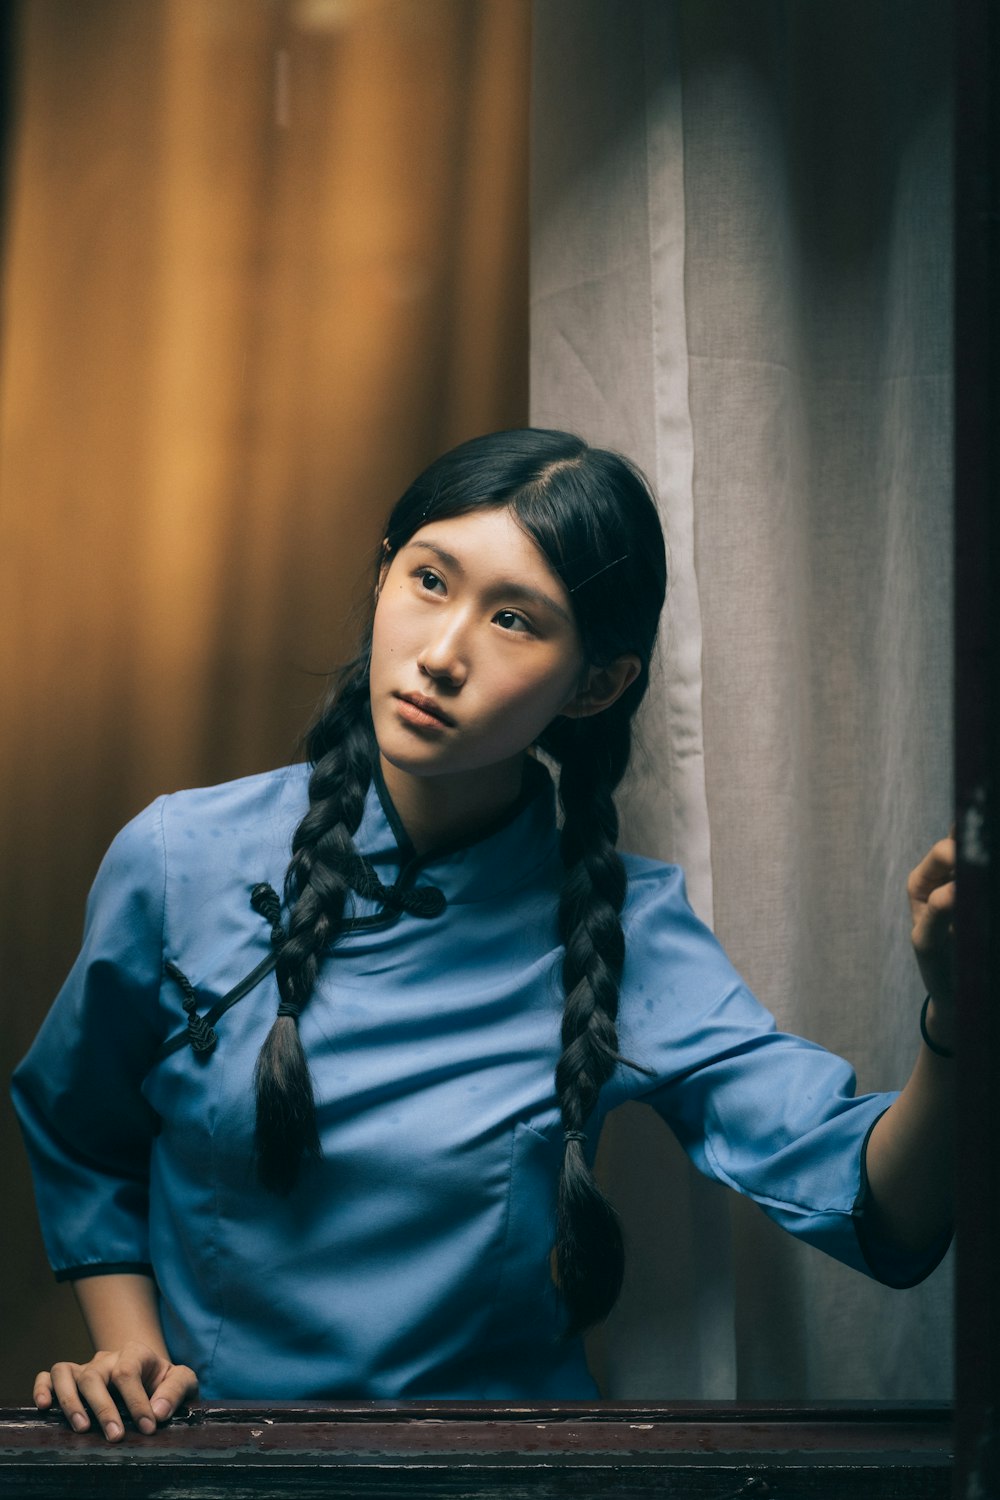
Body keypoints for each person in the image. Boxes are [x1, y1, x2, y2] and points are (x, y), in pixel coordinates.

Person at [12, 428, 956, 1442]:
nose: (442, 652)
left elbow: (880, 1210)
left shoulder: (625, 928)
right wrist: (129, 1345)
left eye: (513, 619)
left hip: (502, 1470)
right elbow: (80, 1127)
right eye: (427, 580)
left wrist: (957, 1020)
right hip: (212, 1461)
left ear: (594, 685)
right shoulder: (177, 857)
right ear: (382, 574)